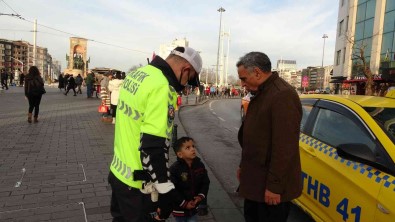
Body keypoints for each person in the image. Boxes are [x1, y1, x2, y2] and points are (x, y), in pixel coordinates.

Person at [108, 46, 202, 221]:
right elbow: (154, 146)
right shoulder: (162, 87)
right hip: (139, 187)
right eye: (188, 80)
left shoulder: (138, 74)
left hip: (118, 173)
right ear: (186, 69)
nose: (185, 85)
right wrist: (165, 191)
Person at [236, 52, 302, 222]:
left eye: (244, 79)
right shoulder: (263, 92)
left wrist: (274, 186)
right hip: (255, 181)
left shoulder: (282, 95)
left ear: (257, 72)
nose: (242, 84)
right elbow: (255, 138)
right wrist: (243, 166)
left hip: (268, 188)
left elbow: (284, 148)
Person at [170, 137, 210, 222]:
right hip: (179, 209)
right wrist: (184, 203)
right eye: (188, 148)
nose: (192, 149)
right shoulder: (175, 169)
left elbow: (205, 182)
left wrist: (200, 196)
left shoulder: (199, 165)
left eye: (193, 146)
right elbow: (172, 189)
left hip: (193, 207)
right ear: (180, 154)